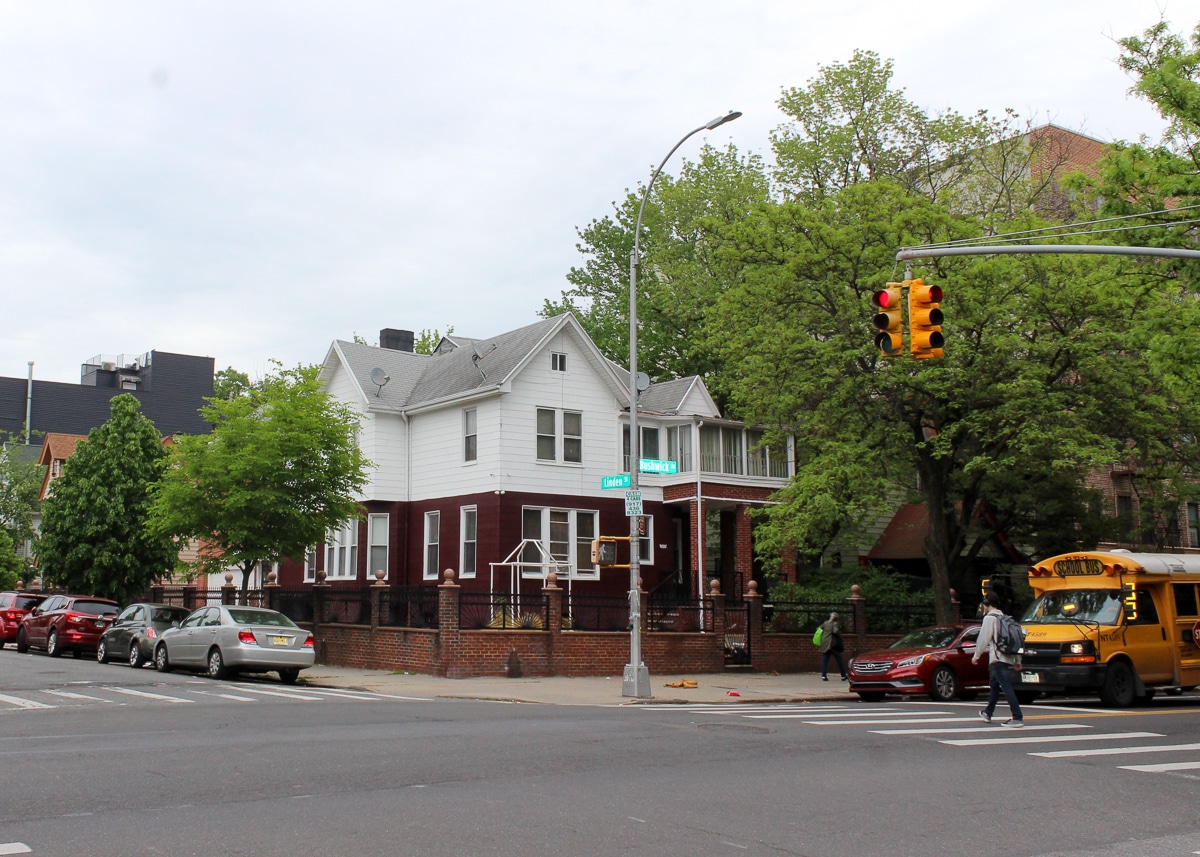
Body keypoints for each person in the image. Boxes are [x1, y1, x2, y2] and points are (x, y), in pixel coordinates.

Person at [973, 593, 1024, 727]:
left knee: (1006, 687)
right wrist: (1017, 661)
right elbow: (1016, 641)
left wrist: (976, 656)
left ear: (986, 604)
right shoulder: (1004, 618)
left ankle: (1017, 717)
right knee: (994, 686)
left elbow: (983, 638)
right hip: (1007, 656)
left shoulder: (989, 618)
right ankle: (988, 712)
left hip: (996, 658)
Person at [818, 611, 847, 681]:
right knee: (839, 659)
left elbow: (819, 628)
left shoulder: (825, 623)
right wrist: (840, 635)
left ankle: (823, 676)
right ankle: (843, 675)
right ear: (836, 618)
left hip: (825, 643)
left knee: (825, 660)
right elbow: (835, 631)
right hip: (833, 644)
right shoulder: (835, 624)